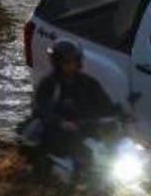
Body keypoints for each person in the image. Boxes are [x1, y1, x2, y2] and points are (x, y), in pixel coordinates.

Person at [30, 40, 114, 176]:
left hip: (85, 129)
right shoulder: (49, 84)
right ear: (57, 63)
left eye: (74, 61)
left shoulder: (88, 83)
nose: (71, 65)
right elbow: (43, 110)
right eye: (66, 62)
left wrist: (120, 114)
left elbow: (105, 103)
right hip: (59, 133)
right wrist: (61, 123)